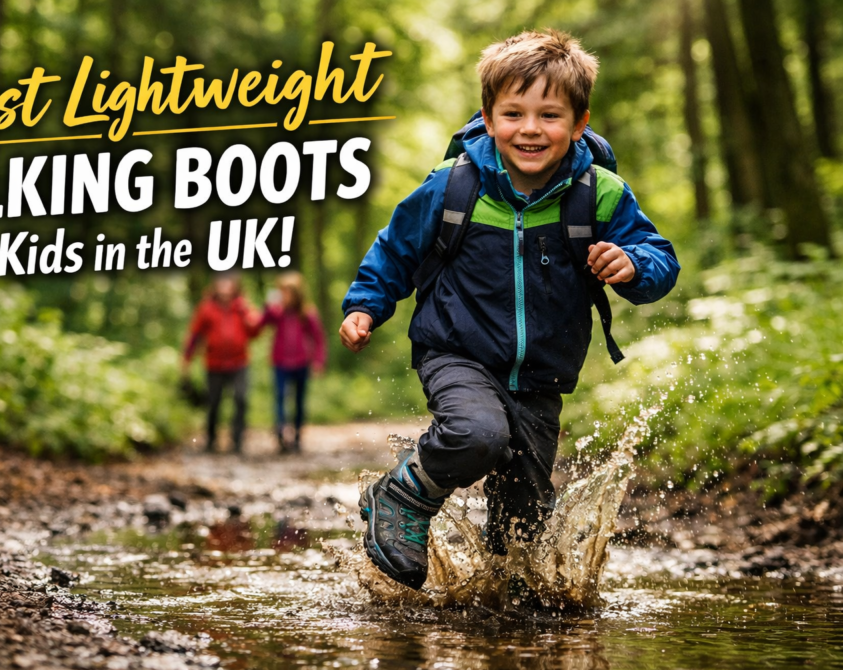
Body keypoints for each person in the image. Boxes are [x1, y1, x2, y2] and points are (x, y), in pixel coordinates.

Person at [339, 30, 680, 591]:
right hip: (457, 352)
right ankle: (403, 493)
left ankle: (500, 604)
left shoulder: (599, 194)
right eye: (513, 113)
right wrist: (366, 307)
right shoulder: (453, 187)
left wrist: (634, 265)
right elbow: (396, 249)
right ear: (488, 116)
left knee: (521, 529)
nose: (529, 129)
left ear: (580, 122)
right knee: (477, 433)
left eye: (549, 115)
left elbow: (658, 259)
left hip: (543, 375)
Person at [182, 273, 260, 454]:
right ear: (215, 285)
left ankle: (237, 440)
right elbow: (195, 334)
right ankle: (210, 440)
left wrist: (249, 318)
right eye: (221, 282)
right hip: (214, 363)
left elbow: (255, 331)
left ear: (235, 285)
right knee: (213, 402)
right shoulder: (207, 307)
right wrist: (187, 357)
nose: (225, 286)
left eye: (228, 282)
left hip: (239, 362)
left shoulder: (242, 306)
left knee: (241, 398)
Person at [257, 272, 327, 453]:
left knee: (299, 400)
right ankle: (280, 431)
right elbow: (260, 324)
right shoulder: (277, 312)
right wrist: (268, 307)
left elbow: (318, 338)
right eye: (282, 292)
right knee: (280, 397)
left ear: (296, 294)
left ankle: (297, 435)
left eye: (288, 292)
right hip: (280, 362)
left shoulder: (307, 313)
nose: (285, 296)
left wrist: (318, 361)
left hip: (301, 362)